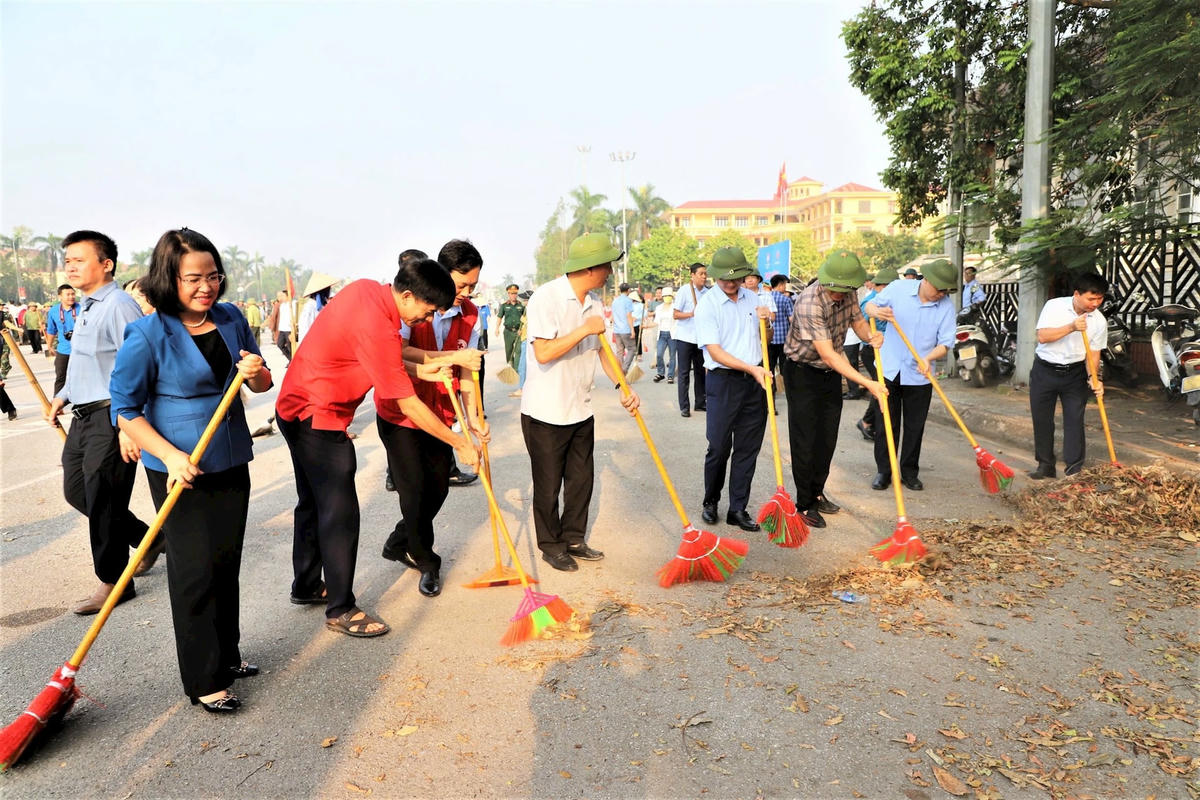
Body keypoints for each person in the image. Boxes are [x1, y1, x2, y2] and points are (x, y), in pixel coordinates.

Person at [109, 228, 271, 713]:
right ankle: (203, 677)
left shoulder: (231, 317)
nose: (207, 287)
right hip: (178, 465)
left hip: (229, 455)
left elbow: (260, 385)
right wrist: (171, 456)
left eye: (213, 276)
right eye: (194, 279)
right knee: (194, 570)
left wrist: (257, 371)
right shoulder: (147, 332)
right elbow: (125, 407)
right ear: (168, 279)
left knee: (226, 561)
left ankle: (228, 655)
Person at [275, 255, 477, 638]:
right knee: (340, 512)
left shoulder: (366, 290)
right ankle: (341, 608)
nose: (426, 320)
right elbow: (408, 403)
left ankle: (305, 584)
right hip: (317, 415)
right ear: (406, 295)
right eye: (426, 311)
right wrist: (458, 443)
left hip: (294, 406)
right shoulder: (381, 327)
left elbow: (378, 355)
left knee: (312, 502)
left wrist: (423, 367)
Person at [46, 230, 152, 614]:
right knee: (78, 492)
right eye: (68, 260)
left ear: (106, 264)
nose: (70, 266)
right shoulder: (88, 305)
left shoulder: (119, 305)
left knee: (105, 498)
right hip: (82, 414)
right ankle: (147, 537)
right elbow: (82, 360)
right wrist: (63, 395)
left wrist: (129, 423)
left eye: (79, 259)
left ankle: (114, 582)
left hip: (111, 415)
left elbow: (137, 364)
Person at [521, 232, 640, 572]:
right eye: (607, 267)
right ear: (591, 268)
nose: (610, 275)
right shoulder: (548, 298)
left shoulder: (591, 303)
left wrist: (622, 385)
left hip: (579, 407)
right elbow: (543, 351)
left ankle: (574, 537)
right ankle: (551, 544)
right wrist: (585, 330)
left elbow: (601, 350)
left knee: (581, 480)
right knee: (547, 486)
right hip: (545, 411)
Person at [377, 240, 488, 597]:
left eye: (472, 285)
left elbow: (469, 367)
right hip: (402, 411)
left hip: (441, 410)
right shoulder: (415, 306)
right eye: (461, 284)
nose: (466, 293)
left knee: (439, 487)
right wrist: (446, 359)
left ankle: (400, 541)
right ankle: (427, 560)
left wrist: (474, 419)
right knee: (413, 492)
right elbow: (401, 351)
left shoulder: (470, 313)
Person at [781, 250, 886, 528]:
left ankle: (817, 491)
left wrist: (870, 336)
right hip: (802, 372)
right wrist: (867, 383)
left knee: (826, 437)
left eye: (845, 290)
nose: (840, 295)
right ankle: (804, 504)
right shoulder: (808, 302)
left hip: (829, 374)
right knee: (805, 438)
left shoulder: (849, 292)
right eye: (835, 290)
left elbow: (858, 322)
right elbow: (828, 354)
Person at [694, 248, 771, 532]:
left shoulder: (753, 298)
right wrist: (751, 368)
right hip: (723, 380)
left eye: (736, 278)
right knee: (718, 445)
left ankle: (738, 508)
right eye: (725, 279)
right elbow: (714, 351)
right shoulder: (707, 305)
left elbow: (766, 338)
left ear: (744, 276)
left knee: (748, 448)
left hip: (755, 381)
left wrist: (768, 322)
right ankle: (710, 501)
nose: (730, 283)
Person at [864, 258, 957, 492]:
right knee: (887, 423)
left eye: (946, 290)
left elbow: (946, 342)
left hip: (920, 373)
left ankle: (909, 472)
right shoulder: (898, 289)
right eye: (939, 289)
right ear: (926, 280)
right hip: (889, 369)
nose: (941, 294)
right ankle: (884, 471)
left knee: (915, 426)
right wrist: (877, 311)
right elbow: (869, 308)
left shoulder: (945, 306)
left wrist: (928, 358)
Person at [1027, 272, 1108, 479]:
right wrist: (1072, 327)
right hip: (1045, 370)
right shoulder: (1054, 307)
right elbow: (1043, 337)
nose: (1095, 304)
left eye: (1100, 299)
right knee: (1042, 419)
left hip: (1074, 374)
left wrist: (1094, 378)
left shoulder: (1099, 321)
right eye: (1091, 298)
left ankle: (1074, 470)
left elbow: (1093, 353)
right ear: (1077, 294)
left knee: (1074, 420)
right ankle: (1045, 465)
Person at [855, 267, 898, 439]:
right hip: (873, 350)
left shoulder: (894, 300)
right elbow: (862, 326)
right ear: (881, 286)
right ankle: (867, 421)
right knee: (880, 386)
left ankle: (869, 421)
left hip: (889, 351)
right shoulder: (870, 302)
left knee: (884, 387)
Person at [673, 262, 709, 417]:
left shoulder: (708, 293)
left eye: (705, 274)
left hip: (701, 338)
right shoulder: (684, 291)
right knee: (684, 373)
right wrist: (691, 314)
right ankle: (684, 406)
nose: (704, 276)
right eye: (701, 273)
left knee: (701, 372)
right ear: (692, 275)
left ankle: (700, 403)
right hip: (685, 338)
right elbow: (675, 314)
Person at [44, 284, 79, 397]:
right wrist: (49, 346)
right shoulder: (54, 311)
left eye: (73, 294)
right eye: (67, 294)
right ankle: (57, 403)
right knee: (60, 377)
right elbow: (51, 330)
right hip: (63, 350)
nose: (71, 297)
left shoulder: (82, 308)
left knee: (82, 377)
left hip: (81, 350)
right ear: (60, 296)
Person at [768, 274, 794, 394]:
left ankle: (771, 397)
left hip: (769, 339)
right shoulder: (785, 300)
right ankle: (789, 392)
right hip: (783, 339)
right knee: (786, 369)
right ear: (781, 284)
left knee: (769, 369)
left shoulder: (765, 298)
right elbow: (791, 320)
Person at [298, 272, 339, 342]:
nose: (329, 293)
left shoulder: (321, 307)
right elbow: (305, 331)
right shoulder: (309, 307)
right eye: (328, 290)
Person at [498, 284, 525, 371]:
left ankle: (516, 370)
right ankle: (511, 367)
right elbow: (499, 317)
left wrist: (522, 329)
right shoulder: (504, 306)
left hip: (518, 332)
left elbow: (525, 319)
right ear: (508, 294)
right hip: (508, 332)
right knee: (509, 351)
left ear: (517, 294)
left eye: (515, 293)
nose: (513, 295)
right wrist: (496, 328)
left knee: (518, 351)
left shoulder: (521, 306)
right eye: (511, 294)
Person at [611, 283, 637, 372]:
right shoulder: (628, 301)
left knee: (620, 351)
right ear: (628, 290)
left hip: (617, 330)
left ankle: (619, 371)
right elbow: (629, 316)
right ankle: (624, 369)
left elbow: (613, 316)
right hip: (625, 329)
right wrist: (632, 330)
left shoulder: (615, 301)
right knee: (632, 349)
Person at [653, 289, 676, 383]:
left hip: (672, 334)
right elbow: (656, 321)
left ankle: (670, 376)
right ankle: (661, 373)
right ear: (662, 297)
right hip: (662, 334)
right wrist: (645, 326)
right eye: (665, 296)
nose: (667, 297)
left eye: (669, 296)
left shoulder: (675, 307)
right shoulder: (658, 308)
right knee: (659, 354)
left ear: (672, 296)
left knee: (672, 356)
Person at [272, 289, 294, 364]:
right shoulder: (282, 306)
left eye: (283, 296)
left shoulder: (292, 304)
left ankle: (292, 361)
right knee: (280, 344)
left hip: (289, 329)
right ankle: (291, 360)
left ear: (288, 296)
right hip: (282, 329)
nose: (281, 298)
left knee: (290, 347)